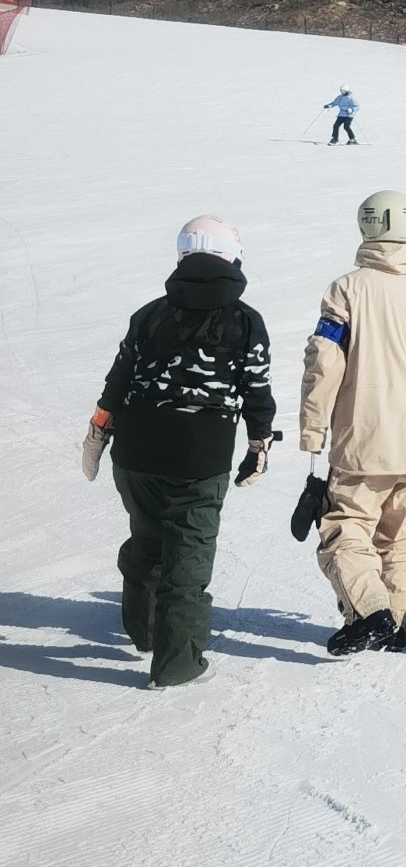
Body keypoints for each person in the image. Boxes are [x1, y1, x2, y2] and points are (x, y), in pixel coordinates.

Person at [83, 216, 275, 689]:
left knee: (147, 537)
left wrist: (98, 432)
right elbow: (256, 390)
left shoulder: (150, 313)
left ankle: (145, 632)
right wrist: (258, 444)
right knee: (187, 555)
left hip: (136, 451)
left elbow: (119, 380)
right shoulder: (246, 321)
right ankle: (179, 665)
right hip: (199, 457)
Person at [300, 188, 406, 657]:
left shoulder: (347, 289)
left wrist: (313, 431)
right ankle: (395, 627)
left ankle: (373, 614)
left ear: (365, 227)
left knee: (345, 527)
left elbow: (324, 364)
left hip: (361, 440)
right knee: (402, 537)